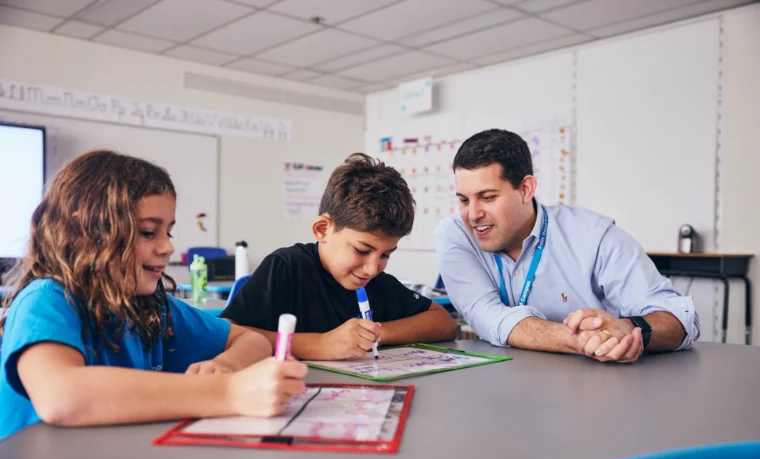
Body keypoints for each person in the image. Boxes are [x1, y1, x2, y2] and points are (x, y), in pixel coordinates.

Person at [0, 150, 306, 441]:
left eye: (168, 232)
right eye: (148, 232)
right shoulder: (45, 301)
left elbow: (252, 341)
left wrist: (225, 367)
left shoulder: (153, 308)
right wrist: (228, 391)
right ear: (87, 231)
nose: (168, 247)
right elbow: (61, 396)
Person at [436, 129, 699, 362]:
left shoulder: (593, 236)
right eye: (464, 200)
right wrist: (581, 340)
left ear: (526, 189)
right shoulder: (456, 235)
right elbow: (485, 314)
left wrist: (627, 330)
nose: (473, 214)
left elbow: (679, 318)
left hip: (597, 393)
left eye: (488, 197)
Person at [222, 153, 458, 360]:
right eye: (362, 250)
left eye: (386, 254)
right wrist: (318, 345)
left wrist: (376, 333)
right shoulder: (287, 267)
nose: (372, 268)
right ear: (323, 229)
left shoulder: (377, 284)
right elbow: (226, 333)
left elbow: (444, 323)